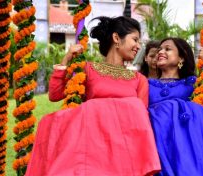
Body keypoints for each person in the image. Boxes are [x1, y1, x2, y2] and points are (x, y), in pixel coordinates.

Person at [26, 16, 161, 176]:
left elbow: (141, 120)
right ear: (116, 38)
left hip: (123, 152)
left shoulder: (139, 80)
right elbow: (55, 95)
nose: (139, 46)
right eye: (135, 39)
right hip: (92, 148)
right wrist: (66, 59)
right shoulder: (88, 69)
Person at [148, 37, 203, 175]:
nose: (161, 51)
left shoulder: (192, 85)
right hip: (155, 147)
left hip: (183, 153)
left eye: (167, 49)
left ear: (181, 58)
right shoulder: (146, 84)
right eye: (160, 49)